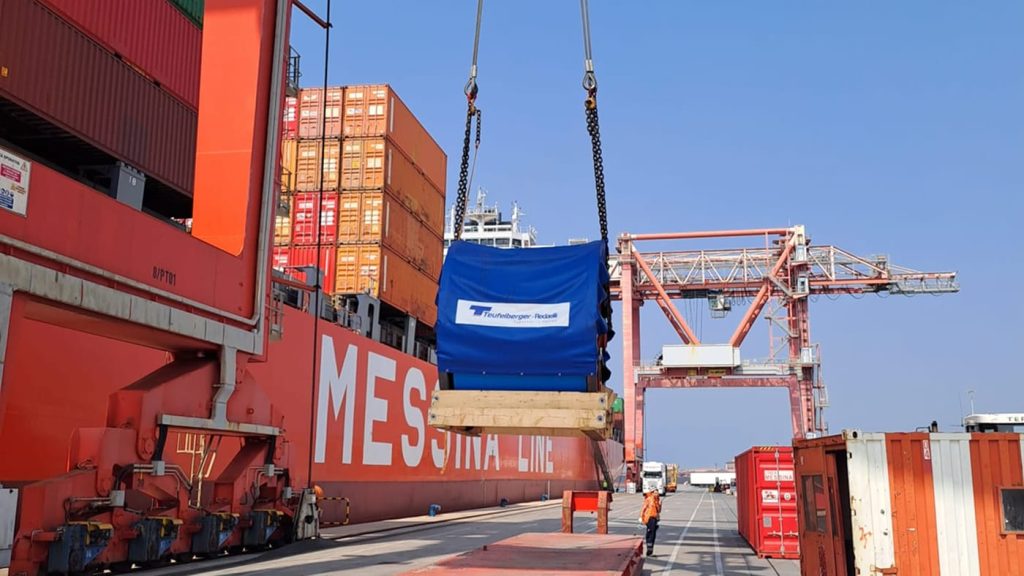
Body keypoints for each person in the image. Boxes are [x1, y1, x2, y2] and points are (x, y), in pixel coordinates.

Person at [639, 487, 662, 556]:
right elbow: (644, 508)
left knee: (653, 534)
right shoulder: (649, 499)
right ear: (652, 493)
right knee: (650, 533)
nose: (656, 494)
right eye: (655, 492)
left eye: (657, 493)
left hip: (654, 518)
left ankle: (650, 550)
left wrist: (660, 505)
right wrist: (641, 516)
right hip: (649, 517)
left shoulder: (657, 500)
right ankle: (649, 549)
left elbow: (659, 511)